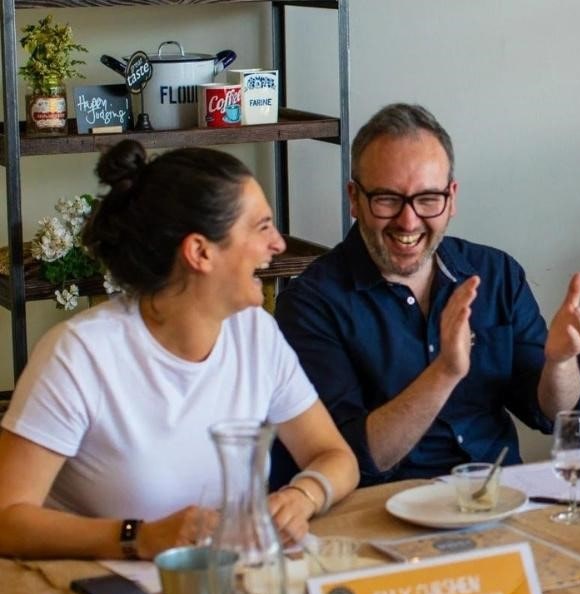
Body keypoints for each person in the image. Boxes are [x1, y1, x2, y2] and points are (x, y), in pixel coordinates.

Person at [0, 140, 359, 560]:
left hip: (230, 586)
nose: (278, 244)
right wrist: (138, 537)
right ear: (200, 252)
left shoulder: (256, 334)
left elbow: (335, 456)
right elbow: (7, 518)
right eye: (261, 227)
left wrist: (305, 494)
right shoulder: (80, 355)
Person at [272, 103, 580, 487]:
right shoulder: (310, 304)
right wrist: (444, 373)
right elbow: (354, 457)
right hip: (380, 511)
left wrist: (560, 362)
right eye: (387, 199)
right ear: (354, 199)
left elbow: (551, 414)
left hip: (499, 499)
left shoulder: (496, 274)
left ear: (451, 199)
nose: (408, 221)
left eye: (428, 198)